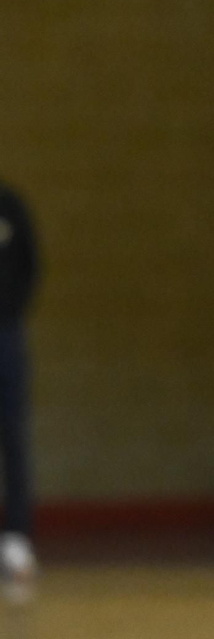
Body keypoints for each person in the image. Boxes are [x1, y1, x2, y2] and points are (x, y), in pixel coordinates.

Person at [0, 178, 39, 584]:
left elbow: (31, 266)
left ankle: (16, 542)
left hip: (6, 336)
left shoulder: (10, 205)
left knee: (13, 438)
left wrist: (9, 311)